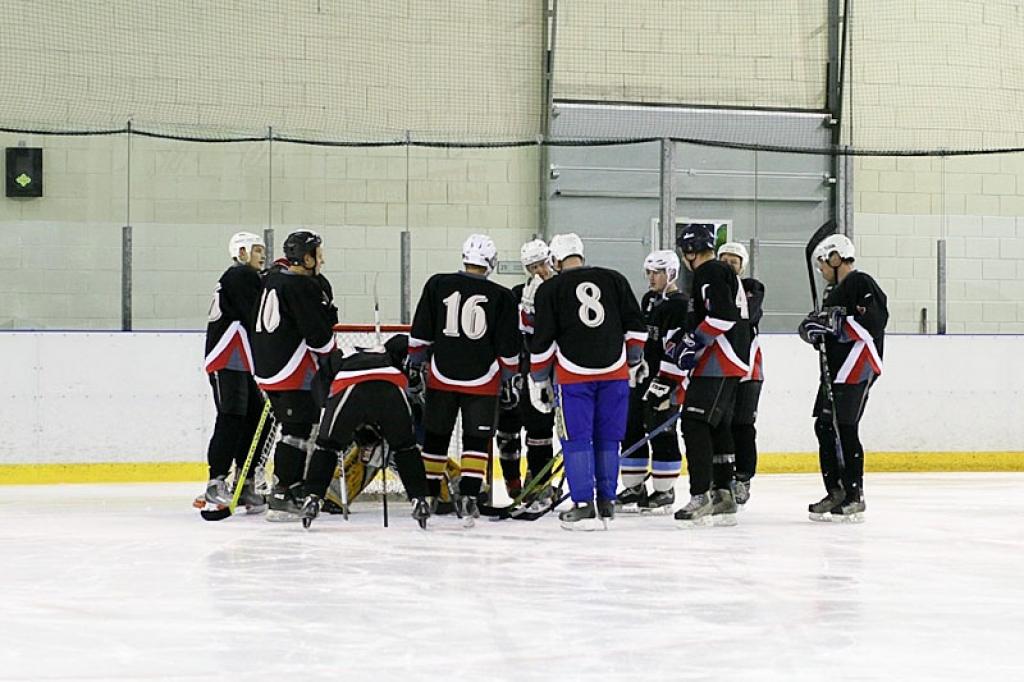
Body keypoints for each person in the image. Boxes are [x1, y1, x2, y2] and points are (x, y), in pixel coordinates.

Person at [529, 233, 647, 530]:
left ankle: (583, 505)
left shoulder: (550, 289)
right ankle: (607, 501)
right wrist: (634, 361)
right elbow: (635, 327)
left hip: (573, 377)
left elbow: (542, 342)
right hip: (615, 374)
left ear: (555, 261)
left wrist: (539, 379)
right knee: (609, 438)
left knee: (576, 439)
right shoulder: (615, 279)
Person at [408, 234, 520, 526]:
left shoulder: (437, 283)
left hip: (442, 375)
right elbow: (508, 346)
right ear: (491, 263)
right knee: (476, 440)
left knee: (435, 438)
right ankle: (469, 497)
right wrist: (509, 380)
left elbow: (421, 330)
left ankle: (429, 496)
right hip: (483, 380)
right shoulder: (502, 296)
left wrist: (415, 363)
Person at [798, 234, 888, 522]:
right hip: (834, 370)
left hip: (857, 366)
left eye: (823, 263)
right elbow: (826, 334)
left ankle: (854, 494)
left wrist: (832, 326)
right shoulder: (831, 292)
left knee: (845, 427)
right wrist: (813, 331)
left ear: (837, 258)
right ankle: (835, 490)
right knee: (824, 426)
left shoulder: (861, 282)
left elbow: (873, 323)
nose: (821, 270)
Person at [299, 335, 432, 529]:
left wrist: (342, 425)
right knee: (406, 448)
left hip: (350, 385)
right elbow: (407, 342)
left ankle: (313, 497)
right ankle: (419, 499)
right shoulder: (390, 352)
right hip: (391, 384)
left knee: (326, 447)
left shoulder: (340, 355)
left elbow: (321, 392)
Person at [668, 224, 750, 528]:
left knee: (694, 421)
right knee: (717, 425)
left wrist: (694, 341)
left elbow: (722, 316)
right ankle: (724, 494)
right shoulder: (719, 271)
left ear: (690, 252)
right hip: (729, 359)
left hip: (720, 358)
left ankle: (701, 495)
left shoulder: (709, 272)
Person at [252, 230, 337, 521]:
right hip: (291, 370)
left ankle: (295, 487)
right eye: (318, 254)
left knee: (299, 428)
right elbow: (320, 339)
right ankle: (282, 492)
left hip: (268, 368)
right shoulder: (301, 286)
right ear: (306, 257)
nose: (322, 259)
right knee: (296, 432)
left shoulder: (273, 279)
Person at [197, 232, 270, 514]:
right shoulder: (240, 276)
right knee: (232, 416)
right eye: (256, 250)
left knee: (255, 417)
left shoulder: (247, 278)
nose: (261, 255)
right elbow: (256, 314)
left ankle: (246, 481)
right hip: (227, 357)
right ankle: (216, 482)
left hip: (242, 360)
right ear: (241, 252)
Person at [617, 250, 690, 514]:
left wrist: (667, 385)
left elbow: (676, 348)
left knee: (661, 432)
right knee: (632, 426)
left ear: (670, 273)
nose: (651, 278)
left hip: (666, 379)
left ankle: (664, 491)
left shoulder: (680, 305)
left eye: (656, 273)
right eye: (648, 272)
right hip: (641, 376)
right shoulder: (649, 299)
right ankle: (635, 487)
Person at [494, 239, 557, 506]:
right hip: (517, 372)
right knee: (507, 431)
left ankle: (539, 483)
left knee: (540, 432)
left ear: (551, 261)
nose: (538, 272)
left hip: (544, 376)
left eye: (541, 264)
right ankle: (513, 484)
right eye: (532, 267)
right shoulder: (516, 293)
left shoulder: (560, 291)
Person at [717, 242, 765, 507]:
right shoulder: (708, 288)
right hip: (720, 367)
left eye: (733, 261)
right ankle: (723, 477)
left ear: (742, 266)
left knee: (743, 425)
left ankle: (743, 477)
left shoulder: (751, 288)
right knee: (721, 424)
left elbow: (745, 315)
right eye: (722, 259)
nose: (727, 264)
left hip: (748, 369)